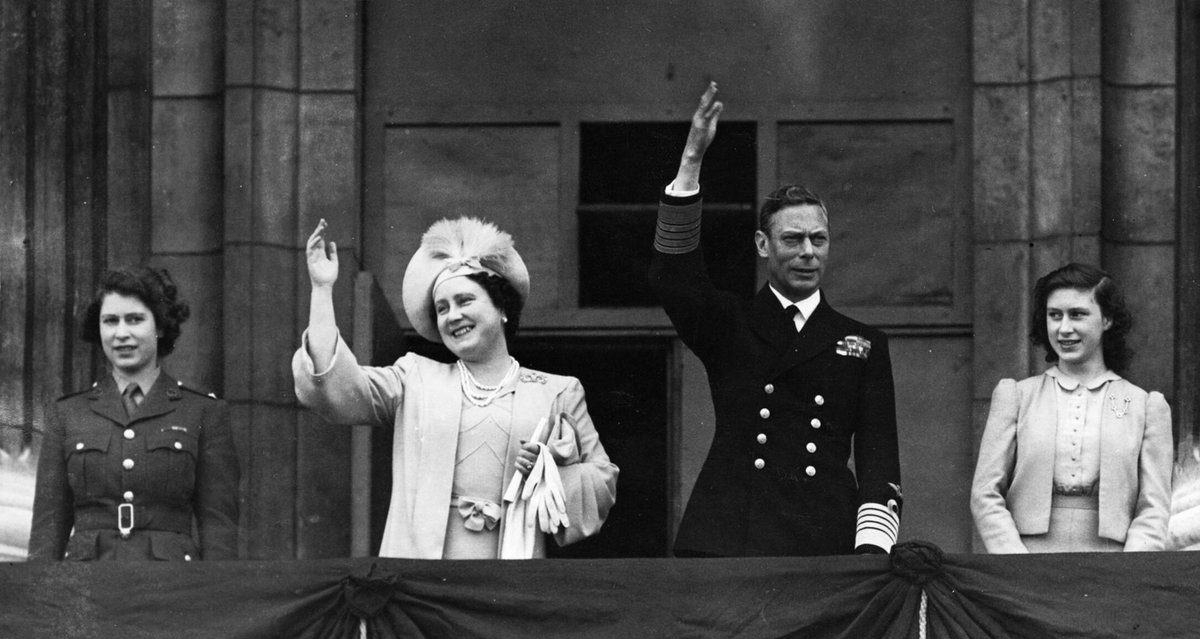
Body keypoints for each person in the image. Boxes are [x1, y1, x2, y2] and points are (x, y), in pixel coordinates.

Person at [649, 82, 902, 557]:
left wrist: (871, 549)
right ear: (764, 246)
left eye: (819, 240)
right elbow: (673, 277)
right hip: (731, 535)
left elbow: (878, 455)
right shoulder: (730, 322)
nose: (808, 253)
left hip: (822, 535)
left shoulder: (863, 341)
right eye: (793, 240)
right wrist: (691, 161)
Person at [293, 218, 617, 558]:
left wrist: (549, 471)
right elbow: (336, 387)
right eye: (442, 308)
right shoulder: (414, 378)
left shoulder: (557, 392)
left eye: (464, 301)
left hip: (510, 581)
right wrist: (321, 289)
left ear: (502, 307)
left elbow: (601, 482)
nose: (452, 316)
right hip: (422, 580)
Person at [29, 268, 240, 561]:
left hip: (170, 587)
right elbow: (47, 530)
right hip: (88, 587)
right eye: (110, 321)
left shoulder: (203, 412)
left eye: (135, 319)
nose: (121, 333)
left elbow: (219, 527)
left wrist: (215, 601)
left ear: (161, 326)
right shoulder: (67, 414)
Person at [971, 263, 1173, 552]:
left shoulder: (1145, 406)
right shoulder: (1016, 396)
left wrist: (1128, 572)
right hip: (1025, 561)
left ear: (1107, 320)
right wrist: (1014, 561)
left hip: (1112, 566)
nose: (1064, 328)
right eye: (1055, 316)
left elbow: (1154, 507)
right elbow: (985, 494)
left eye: (1077, 315)